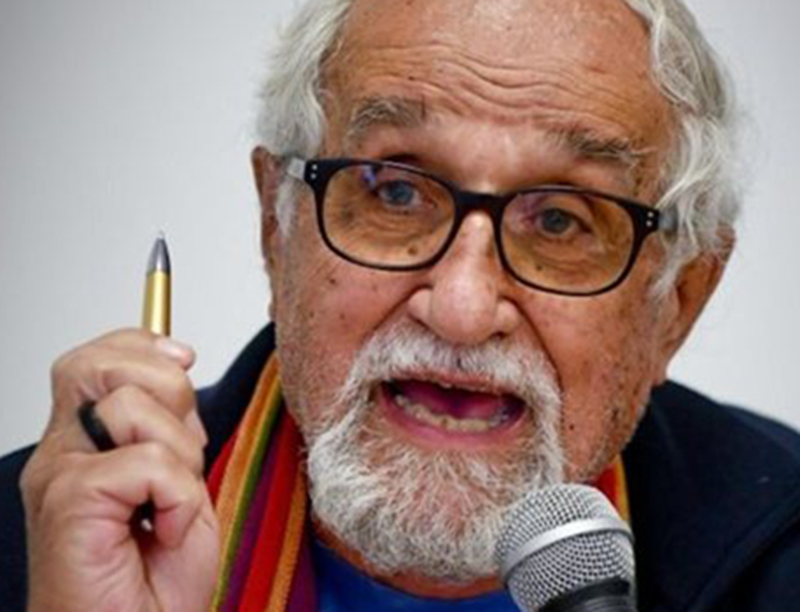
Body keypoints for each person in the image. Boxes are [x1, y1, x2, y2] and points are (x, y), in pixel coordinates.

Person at [1, 0, 799, 610]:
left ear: (677, 305)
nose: (461, 308)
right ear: (277, 227)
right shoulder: (43, 554)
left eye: (561, 221)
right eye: (395, 192)